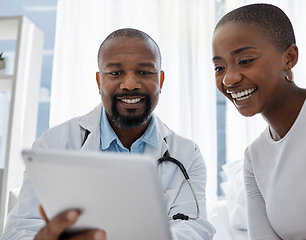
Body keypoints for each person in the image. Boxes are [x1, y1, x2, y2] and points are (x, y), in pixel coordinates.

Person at [2, 28, 215, 240]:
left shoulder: (188, 154)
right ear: (99, 82)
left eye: (144, 72)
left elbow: (194, 228)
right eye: (115, 73)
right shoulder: (53, 144)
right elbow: (19, 231)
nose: (130, 84)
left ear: (160, 81)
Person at [212, 3, 306, 240]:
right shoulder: (254, 158)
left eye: (245, 61)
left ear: (289, 58)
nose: (229, 79)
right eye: (219, 67)